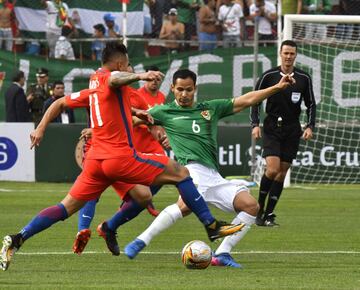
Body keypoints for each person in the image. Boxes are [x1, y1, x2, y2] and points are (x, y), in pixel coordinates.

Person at [0, 42, 244, 271]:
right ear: (119, 64)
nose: (129, 69)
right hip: (119, 158)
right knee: (182, 173)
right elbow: (116, 80)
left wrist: (40, 128)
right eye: (128, 65)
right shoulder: (111, 78)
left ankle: (18, 238)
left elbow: (61, 103)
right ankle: (212, 226)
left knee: (84, 204)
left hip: (96, 162)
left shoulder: (94, 85)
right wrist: (140, 76)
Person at [123, 68, 296, 268]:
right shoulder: (163, 111)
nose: (184, 94)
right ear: (172, 88)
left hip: (214, 176)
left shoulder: (210, 109)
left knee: (251, 206)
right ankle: (141, 240)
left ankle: (222, 253)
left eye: (189, 90)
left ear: (195, 88)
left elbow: (247, 99)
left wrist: (277, 87)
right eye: (180, 89)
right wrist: (97, 131)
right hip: (191, 171)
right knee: (184, 206)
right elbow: (131, 121)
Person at [72, 65, 166, 256]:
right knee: (92, 191)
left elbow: (147, 120)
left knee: (144, 195)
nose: (125, 75)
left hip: (122, 155)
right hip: (101, 151)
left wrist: (160, 134)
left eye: (128, 72)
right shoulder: (98, 91)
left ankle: (111, 225)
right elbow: (63, 103)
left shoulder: (135, 97)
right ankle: (83, 229)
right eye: (122, 71)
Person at [250, 40, 316, 227]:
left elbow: (311, 104)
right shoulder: (269, 76)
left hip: (292, 128)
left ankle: (269, 214)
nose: (288, 56)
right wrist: (255, 124)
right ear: (280, 53)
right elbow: (255, 100)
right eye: (285, 53)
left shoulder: (304, 78)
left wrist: (310, 126)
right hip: (272, 126)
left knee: (282, 173)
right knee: (272, 169)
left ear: (295, 55)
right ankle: (259, 208)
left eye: (292, 53)